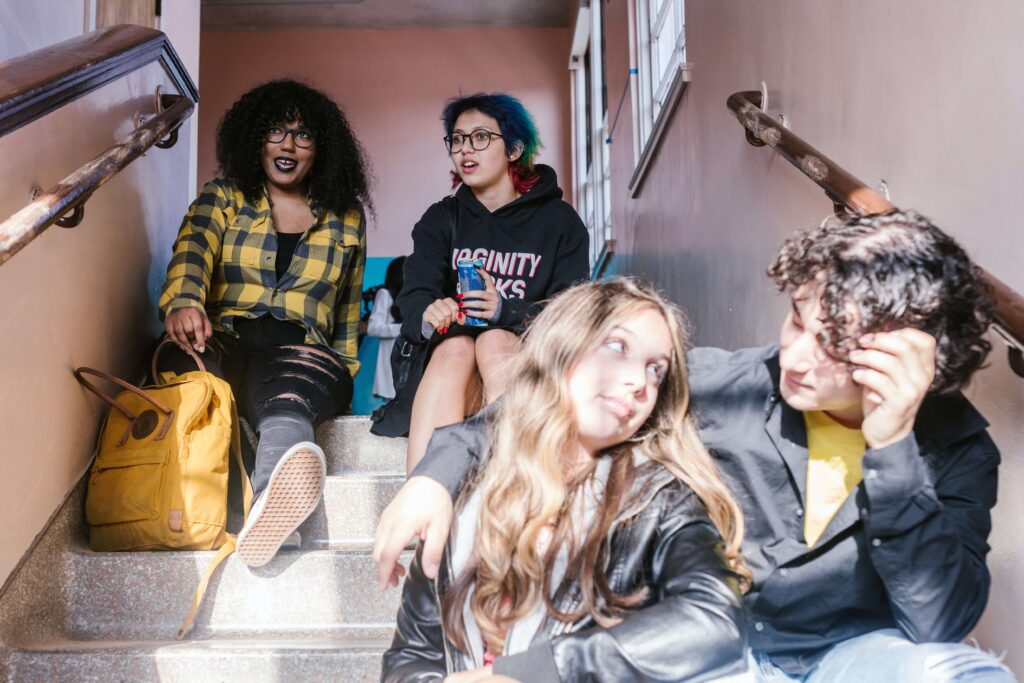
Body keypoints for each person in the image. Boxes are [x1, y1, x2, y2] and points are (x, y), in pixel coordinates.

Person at [375, 212, 1017, 682]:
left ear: (904, 356)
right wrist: (436, 473)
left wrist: (893, 447)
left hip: (849, 655)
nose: (793, 354)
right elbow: (538, 409)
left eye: (832, 344)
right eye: (797, 317)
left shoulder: (958, 451)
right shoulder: (723, 384)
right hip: (696, 653)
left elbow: (937, 620)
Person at [381, 278, 749, 682]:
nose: (639, 382)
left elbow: (714, 621)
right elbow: (411, 657)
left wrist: (536, 673)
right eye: (618, 347)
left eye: (655, 370)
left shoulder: (660, 499)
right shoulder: (462, 488)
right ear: (564, 349)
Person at [158, 79, 370, 568]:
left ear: (322, 150)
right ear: (255, 138)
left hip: (299, 350)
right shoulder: (225, 196)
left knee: (288, 401)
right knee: (182, 368)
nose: (288, 145)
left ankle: (272, 505)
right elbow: (192, 252)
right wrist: (184, 302)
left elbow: (347, 311)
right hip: (222, 336)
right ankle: (237, 505)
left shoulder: (345, 218)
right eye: (276, 130)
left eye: (303, 135)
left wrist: (340, 374)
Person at [397, 92, 589, 473]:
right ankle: (420, 500)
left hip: (527, 376)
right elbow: (414, 298)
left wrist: (506, 310)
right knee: (458, 346)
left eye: (481, 137)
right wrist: (429, 311)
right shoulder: (441, 219)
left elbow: (574, 317)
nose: (466, 149)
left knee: (495, 339)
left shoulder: (560, 222)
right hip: (451, 376)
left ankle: (512, 486)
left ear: (515, 148)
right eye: (457, 139)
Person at [368, 256, 406, 400]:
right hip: (391, 355)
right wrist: (403, 329)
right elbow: (373, 328)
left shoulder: (412, 297)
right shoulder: (385, 295)